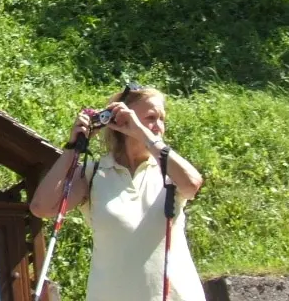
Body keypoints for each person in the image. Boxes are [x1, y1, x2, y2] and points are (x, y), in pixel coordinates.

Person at [30, 85, 205, 301]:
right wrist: (72, 147)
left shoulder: (167, 168)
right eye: (151, 117)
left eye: (162, 119)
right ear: (121, 123)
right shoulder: (94, 173)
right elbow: (42, 208)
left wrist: (144, 133)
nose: (158, 126)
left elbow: (192, 184)